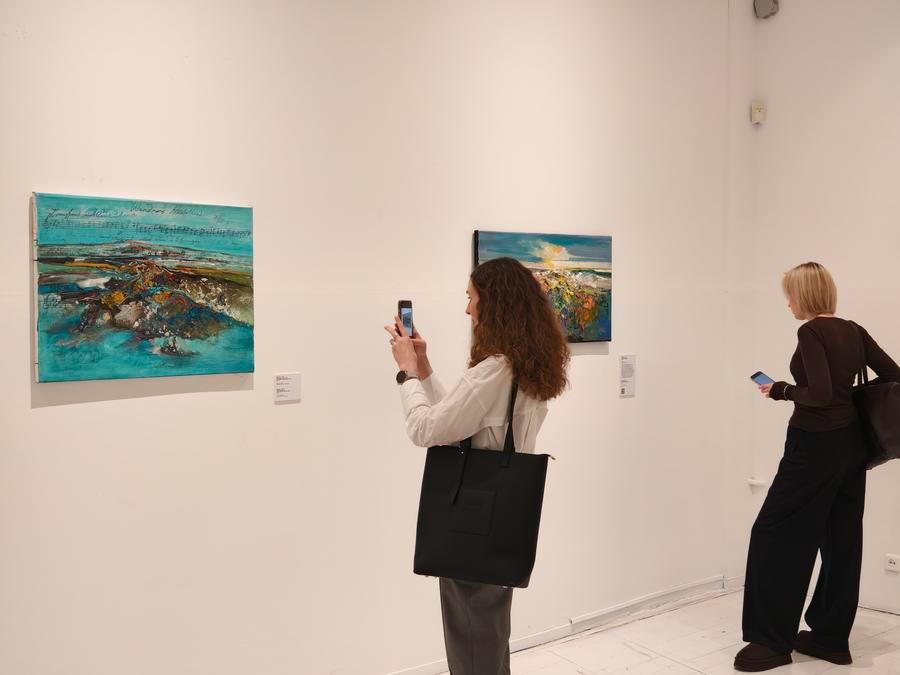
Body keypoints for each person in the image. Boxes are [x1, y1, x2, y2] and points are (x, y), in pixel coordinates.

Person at [384, 257, 569, 675]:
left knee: (470, 636)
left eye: (471, 298)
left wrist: (407, 374)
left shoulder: (494, 370)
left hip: (471, 519)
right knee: (488, 633)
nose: (467, 308)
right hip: (503, 519)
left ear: (494, 303)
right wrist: (425, 367)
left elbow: (425, 429)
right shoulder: (524, 365)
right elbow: (462, 419)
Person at [735, 262, 900, 672]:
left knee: (775, 533)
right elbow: (894, 375)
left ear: (804, 295)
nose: (788, 303)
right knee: (841, 538)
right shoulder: (853, 330)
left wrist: (780, 389)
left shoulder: (811, 331)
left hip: (813, 446)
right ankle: (830, 637)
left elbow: (820, 395)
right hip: (853, 446)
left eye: (790, 295)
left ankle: (770, 641)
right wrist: (852, 398)